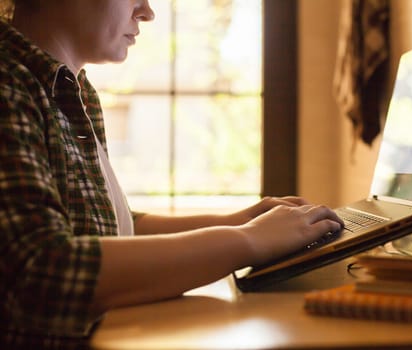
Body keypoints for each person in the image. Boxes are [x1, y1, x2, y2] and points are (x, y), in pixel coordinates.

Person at [0, 0, 343, 348]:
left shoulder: (71, 90)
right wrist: (248, 241)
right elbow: (40, 270)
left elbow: (107, 226)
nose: (147, 11)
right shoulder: (7, 86)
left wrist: (236, 221)